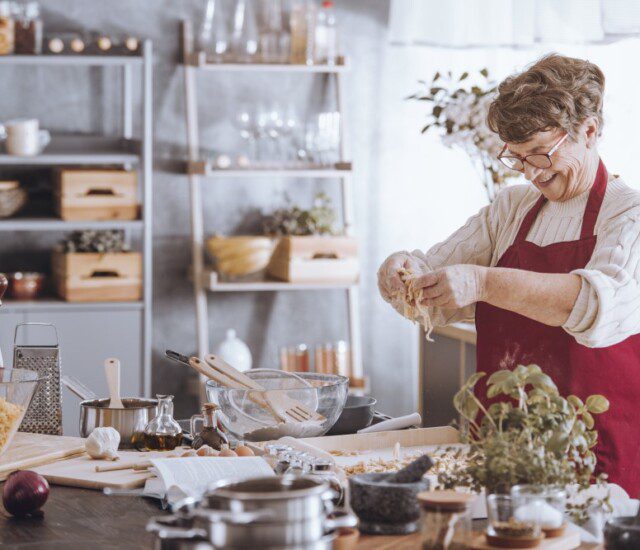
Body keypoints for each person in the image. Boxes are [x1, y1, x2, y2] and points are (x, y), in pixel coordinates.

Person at [378, 54, 640, 495]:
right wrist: (403, 271)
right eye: (517, 159)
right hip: (501, 448)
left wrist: (483, 282)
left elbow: (597, 306)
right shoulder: (511, 209)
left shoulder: (628, 215)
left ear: (590, 131)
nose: (533, 173)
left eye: (541, 154)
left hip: (595, 455)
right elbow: (435, 275)